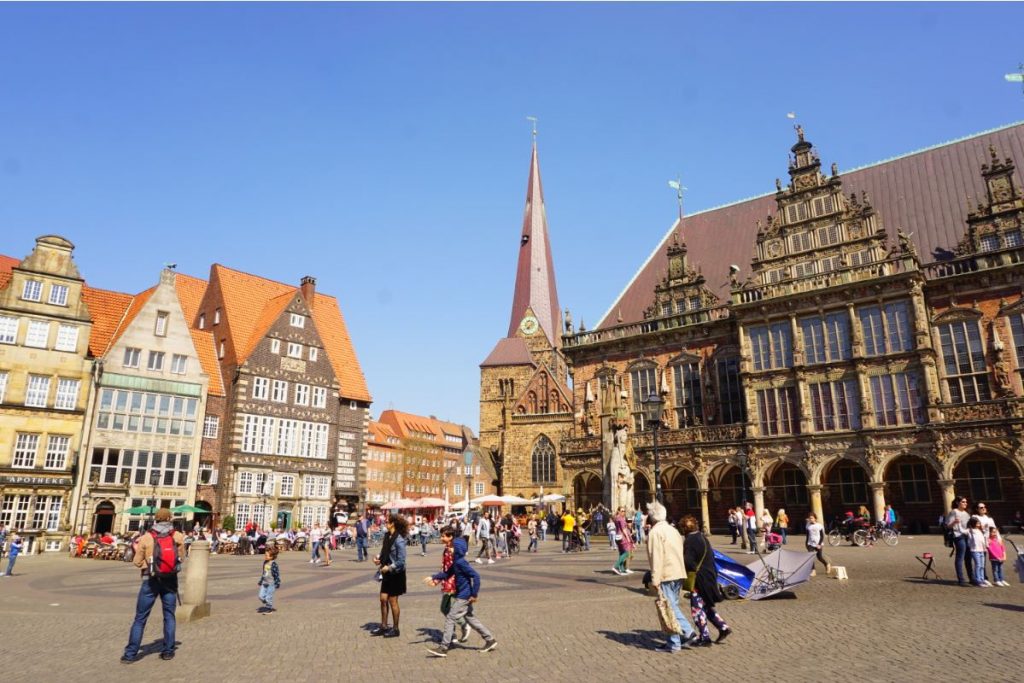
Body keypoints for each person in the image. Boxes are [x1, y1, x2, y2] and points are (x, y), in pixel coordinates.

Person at [121, 508, 185, 663]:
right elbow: (181, 559)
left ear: (155, 519)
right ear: (170, 518)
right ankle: (168, 651)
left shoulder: (146, 537)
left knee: (140, 618)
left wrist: (149, 565)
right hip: (170, 580)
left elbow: (136, 561)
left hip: (150, 580)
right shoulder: (177, 536)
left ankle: (130, 654)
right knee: (169, 616)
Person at [425, 533, 498, 657]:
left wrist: (474, 594)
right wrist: (433, 577)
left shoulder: (461, 562)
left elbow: (476, 576)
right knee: (470, 618)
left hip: (464, 595)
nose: (450, 549)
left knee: (450, 617)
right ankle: (490, 640)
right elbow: (447, 574)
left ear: (458, 550)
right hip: (462, 593)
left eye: (452, 547)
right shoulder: (456, 562)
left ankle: (443, 648)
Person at [645, 501, 697, 652]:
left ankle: (686, 634)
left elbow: (657, 557)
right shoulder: (673, 530)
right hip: (678, 573)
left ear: (652, 517)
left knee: (669, 608)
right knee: (670, 607)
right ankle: (674, 642)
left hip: (666, 574)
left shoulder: (655, 533)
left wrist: (655, 579)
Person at [680, 515, 731, 645]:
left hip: (699, 578)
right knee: (706, 605)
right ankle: (723, 627)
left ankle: (705, 637)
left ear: (685, 528)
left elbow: (688, 561)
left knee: (697, 607)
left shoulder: (690, 540)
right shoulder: (702, 537)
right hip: (709, 574)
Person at [424, 526, 469, 647]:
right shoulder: (447, 548)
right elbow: (444, 566)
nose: (441, 538)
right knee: (445, 608)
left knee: (449, 609)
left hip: (453, 582)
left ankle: (460, 628)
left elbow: (452, 569)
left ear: (450, 537)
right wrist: (437, 580)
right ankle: (456, 631)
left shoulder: (453, 550)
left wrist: (438, 578)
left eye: (443, 536)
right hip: (446, 581)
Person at [371, 514, 408, 638]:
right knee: (383, 599)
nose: (385, 523)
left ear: (392, 523)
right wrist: (378, 558)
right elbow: (384, 552)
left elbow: (401, 561)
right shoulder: (387, 536)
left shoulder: (399, 540)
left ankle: (396, 628)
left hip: (396, 573)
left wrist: (390, 567)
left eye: (387, 522)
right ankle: (384, 625)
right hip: (386, 572)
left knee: (393, 601)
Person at [945, 497, 972, 586]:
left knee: (968, 557)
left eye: (966, 502)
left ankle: (971, 578)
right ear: (957, 503)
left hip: (967, 535)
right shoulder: (954, 512)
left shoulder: (966, 513)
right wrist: (954, 522)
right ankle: (961, 579)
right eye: (963, 502)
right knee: (960, 556)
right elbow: (948, 525)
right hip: (958, 535)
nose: (965, 503)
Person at [257, 546, 282, 613]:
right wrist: (261, 580)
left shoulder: (274, 564)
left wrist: (277, 582)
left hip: (271, 583)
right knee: (261, 596)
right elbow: (264, 573)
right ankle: (267, 602)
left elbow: (276, 574)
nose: (265, 556)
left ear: (272, 556)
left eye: (266, 555)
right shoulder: (265, 562)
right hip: (264, 582)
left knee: (269, 597)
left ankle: (269, 608)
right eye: (265, 555)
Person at [966, 517, 989, 588]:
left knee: (982, 565)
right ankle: (977, 580)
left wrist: (985, 528)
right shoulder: (970, 531)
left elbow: (984, 538)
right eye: (978, 522)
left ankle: (982, 579)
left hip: (982, 550)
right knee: (978, 565)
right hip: (975, 550)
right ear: (974, 523)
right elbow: (962, 531)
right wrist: (957, 524)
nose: (979, 523)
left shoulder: (980, 531)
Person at [612, 507, 634, 575]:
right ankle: (615, 566)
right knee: (627, 553)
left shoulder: (616, 518)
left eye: (624, 511)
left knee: (621, 553)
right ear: (618, 511)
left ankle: (621, 569)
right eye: (622, 511)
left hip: (617, 537)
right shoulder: (621, 519)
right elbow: (623, 529)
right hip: (622, 537)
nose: (623, 512)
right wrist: (628, 538)